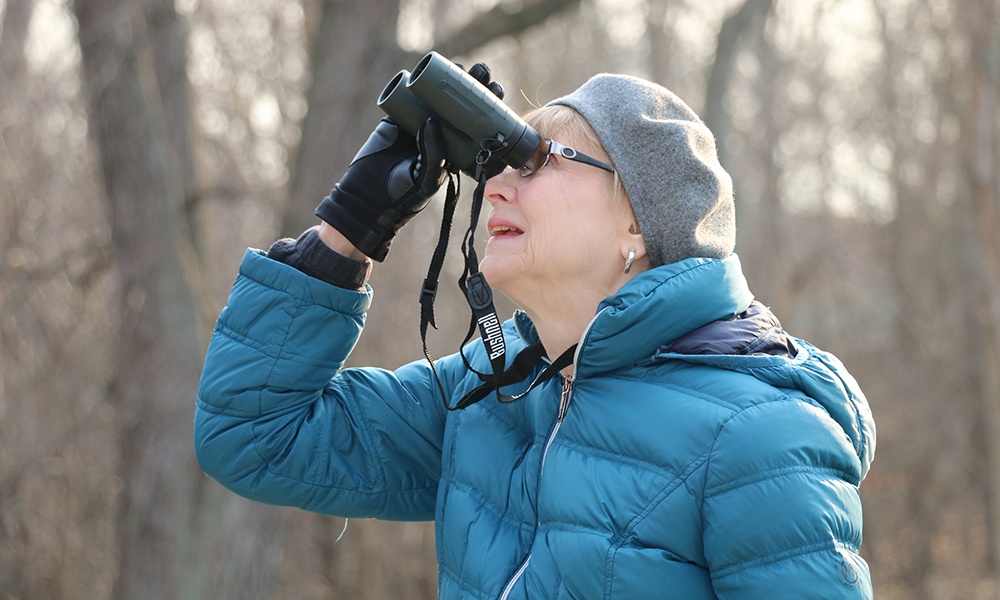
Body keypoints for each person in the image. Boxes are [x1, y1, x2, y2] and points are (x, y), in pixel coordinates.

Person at [194, 62, 876, 599]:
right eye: (500, 164)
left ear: (639, 222)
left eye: (541, 159)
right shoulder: (496, 388)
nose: (495, 187)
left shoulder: (761, 437)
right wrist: (352, 222)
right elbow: (255, 437)